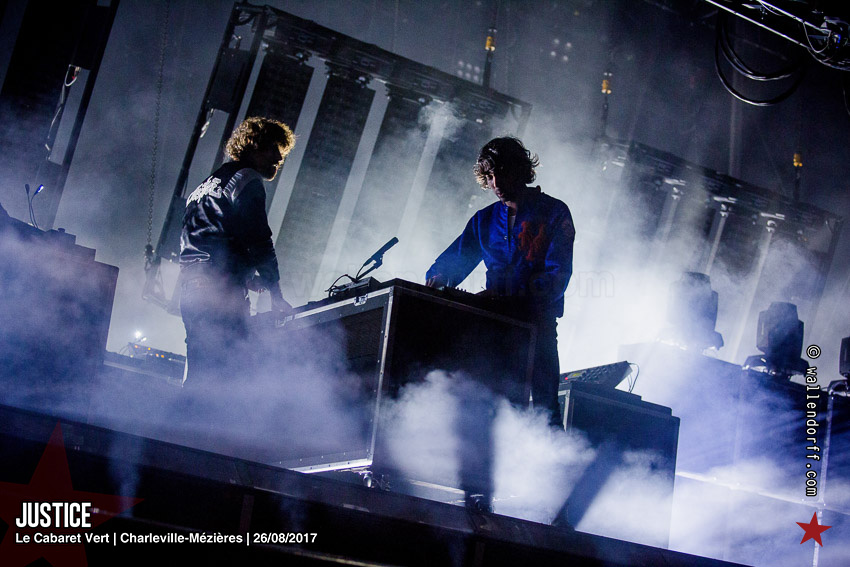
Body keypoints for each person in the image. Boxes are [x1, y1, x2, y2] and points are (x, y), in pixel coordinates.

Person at [426, 136, 575, 428]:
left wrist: (506, 298)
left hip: (538, 329)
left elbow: (557, 277)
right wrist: (439, 279)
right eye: (490, 176)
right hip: (493, 330)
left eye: (502, 173)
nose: (495, 183)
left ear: (521, 169)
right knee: (491, 410)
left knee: (545, 412)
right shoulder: (483, 220)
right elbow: (449, 264)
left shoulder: (555, 213)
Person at [179, 116, 295, 389]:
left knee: (200, 376)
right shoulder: (246, 179)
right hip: (221, 294)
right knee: (230, 377)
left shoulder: (202, 188)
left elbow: (206, 240)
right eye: (273, 148)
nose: (279, 158)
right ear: (253, 146)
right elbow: (260, 240)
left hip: (192, 292)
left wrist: (245, 276)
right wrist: (276, 293)